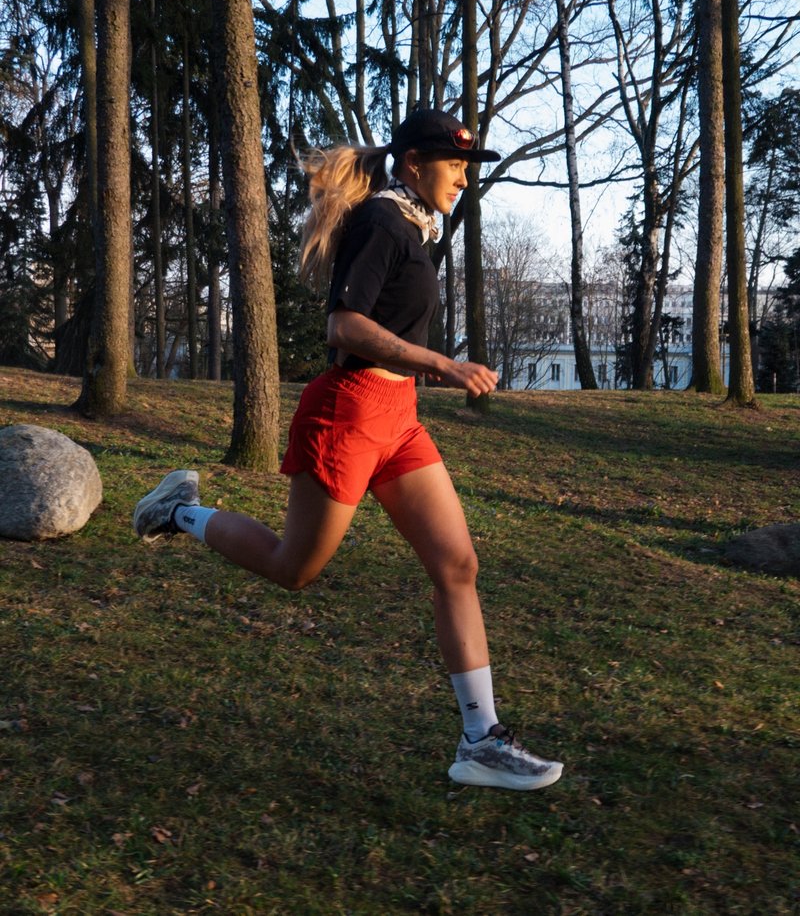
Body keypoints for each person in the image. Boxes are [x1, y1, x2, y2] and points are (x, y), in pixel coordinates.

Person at [133, 108, 563, 792]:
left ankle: (481, 739)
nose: (462, 179)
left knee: (457, 562)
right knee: (293, 566)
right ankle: (180, 512)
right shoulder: (383, 223)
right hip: (350, 412)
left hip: (398, 419)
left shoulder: (414, 226)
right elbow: (344, 324)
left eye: (467, 168)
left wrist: (422, 377)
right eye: (454, 166)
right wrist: (441, 364)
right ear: (414, 164)